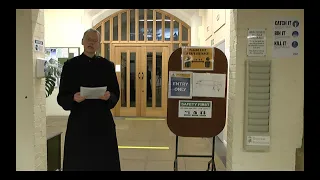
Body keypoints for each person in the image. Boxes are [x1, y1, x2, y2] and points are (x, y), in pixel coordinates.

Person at [57, 28, 121, 171]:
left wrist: (109, 96)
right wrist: (73, 98)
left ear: (99, 44)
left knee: (104, 162)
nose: (91, 43)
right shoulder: (70, 66)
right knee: (79, 162)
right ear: (82, 41)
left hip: (102, 121)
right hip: (79, 121)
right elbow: (62, 97)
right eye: (88, 40)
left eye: (94, 40)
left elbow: (116, 92)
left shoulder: (107, 66)